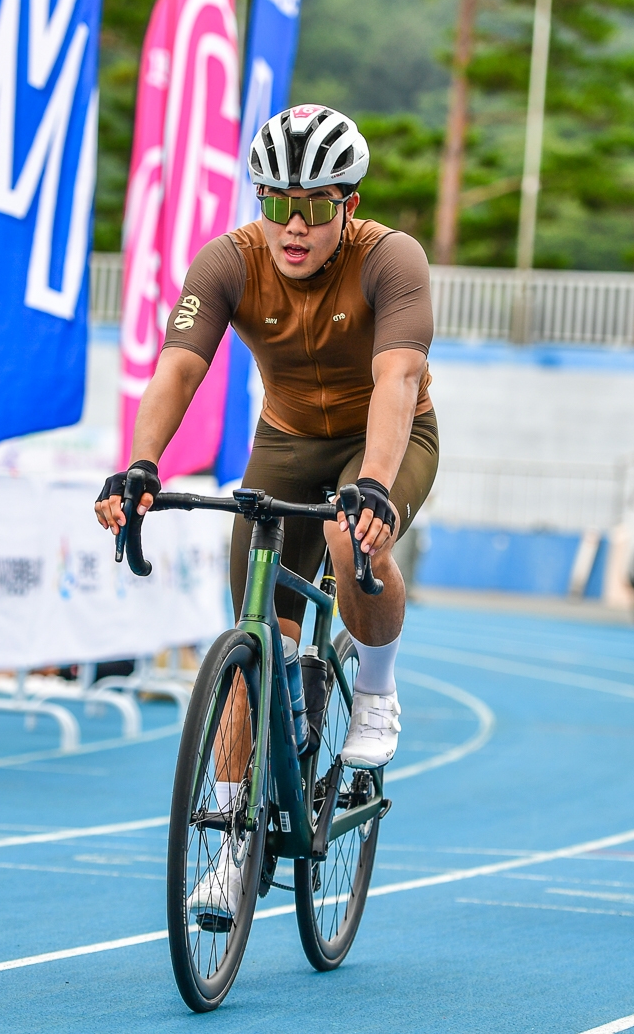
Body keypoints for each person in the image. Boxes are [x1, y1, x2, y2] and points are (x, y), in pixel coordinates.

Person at [95, 105, 439, 922]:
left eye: (314, 206)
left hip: (384, 438)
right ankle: (230, 840)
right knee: (254, 646)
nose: (293, 224)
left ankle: (376, 690)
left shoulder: (392, 258)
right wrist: (142, 464)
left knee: (349, 536)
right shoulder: (229, 260)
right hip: (285, 439)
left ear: (348, 205)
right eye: (276, 202)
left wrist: (375, 486)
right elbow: (178, 367)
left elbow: (396, 378)